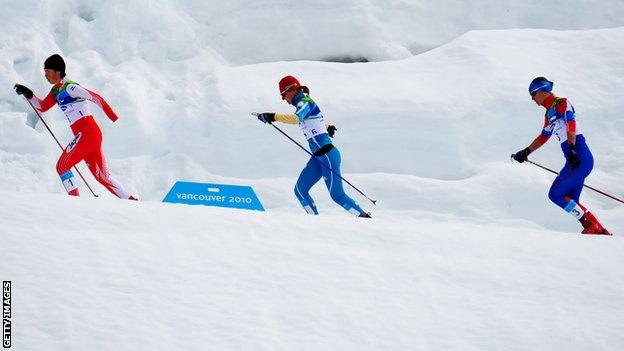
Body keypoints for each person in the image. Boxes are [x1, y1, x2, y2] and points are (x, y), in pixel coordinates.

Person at [14, 54, 137, 200]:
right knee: (102, 177)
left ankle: (74, 203)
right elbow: (42, 107)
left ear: (57, 71)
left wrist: (112, 116)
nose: (45, 74)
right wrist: (28, 93)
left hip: (88, 132)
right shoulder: (56, 91)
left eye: (47, 71)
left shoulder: (71, 87)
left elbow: (96, 97)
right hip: (88, 134)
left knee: (62, 166)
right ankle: (132, 201)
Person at [255, 75, 371, 217]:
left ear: (291, 89)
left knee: (337, 196)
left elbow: (297, 118)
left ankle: (364, 218)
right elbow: (313, 120)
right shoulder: (303, 104)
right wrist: (327, 126)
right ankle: (314, 222)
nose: (283, 99)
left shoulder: (304, 101)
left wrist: (273, 116)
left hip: (327, 155)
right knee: (300, 191)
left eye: (283, 94)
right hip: (318, 157)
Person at [512, 77, 609, 235]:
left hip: (580, 158)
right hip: (572, 160)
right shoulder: (548, 114)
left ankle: (590, 225)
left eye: (533, 94)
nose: (532, 98)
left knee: (556, 194)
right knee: (572, 200)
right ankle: (598, 228)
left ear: (543, 91)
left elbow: (571, 123)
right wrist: (526, 152)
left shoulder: (561, 103)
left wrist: (571, 149)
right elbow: (544, 136)